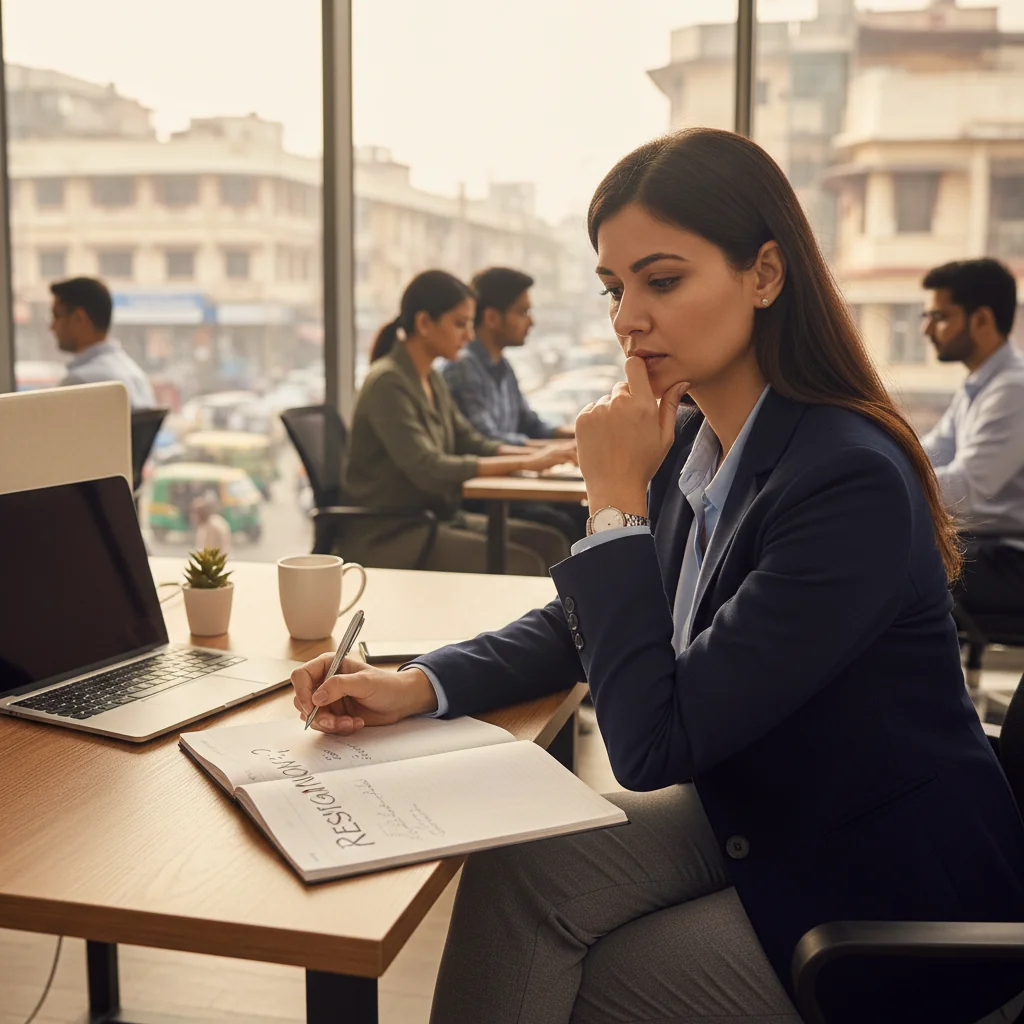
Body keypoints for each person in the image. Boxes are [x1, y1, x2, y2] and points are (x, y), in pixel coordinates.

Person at [290, 130, 1024, 1024]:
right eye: (614, 287)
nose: (626, 317)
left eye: (662, 280)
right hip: (766, 798)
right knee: (520, 866)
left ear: (764, 274)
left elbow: (651, 746)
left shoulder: (846, 479)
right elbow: (579, 624)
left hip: (883, 874)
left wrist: (613, 506)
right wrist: (420, 683)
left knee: (614, 977)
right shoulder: (698, 443)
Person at [342, 270, 574, 576]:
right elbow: (430, 469)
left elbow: (473, 442)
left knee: (550, 542)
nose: (469, 335)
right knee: (524, 561)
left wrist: (534, 458)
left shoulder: (431, 378)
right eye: (460, 324)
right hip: (393, 532)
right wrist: (532, 460)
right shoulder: (388, 382)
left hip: (435, 518)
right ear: (424, 323)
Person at [444, 266, 588, 542]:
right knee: (563, 526)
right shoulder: (462, 369)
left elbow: (530, 424)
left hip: (509, 482)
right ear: (491, 317)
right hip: (481, 494)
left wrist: (579, 434)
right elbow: (487, 441)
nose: (531, 322)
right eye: (522, 312)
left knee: (582, 515)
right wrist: (547, 454)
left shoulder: (502, 365)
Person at [920, 258, 1024, 617]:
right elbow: (926, 453)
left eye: (940, 317)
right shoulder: (979, 385)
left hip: (1011, 559)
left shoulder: (1013, 389)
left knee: (887, 564)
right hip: (987, 549)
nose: (927, 330)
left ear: (981, 319)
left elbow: (966, 488)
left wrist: (881, 486)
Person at [50, 277, 156, 409]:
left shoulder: (79, 383)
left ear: (78, 318)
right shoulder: (136, 376)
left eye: (56, 316)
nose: (52, 327)